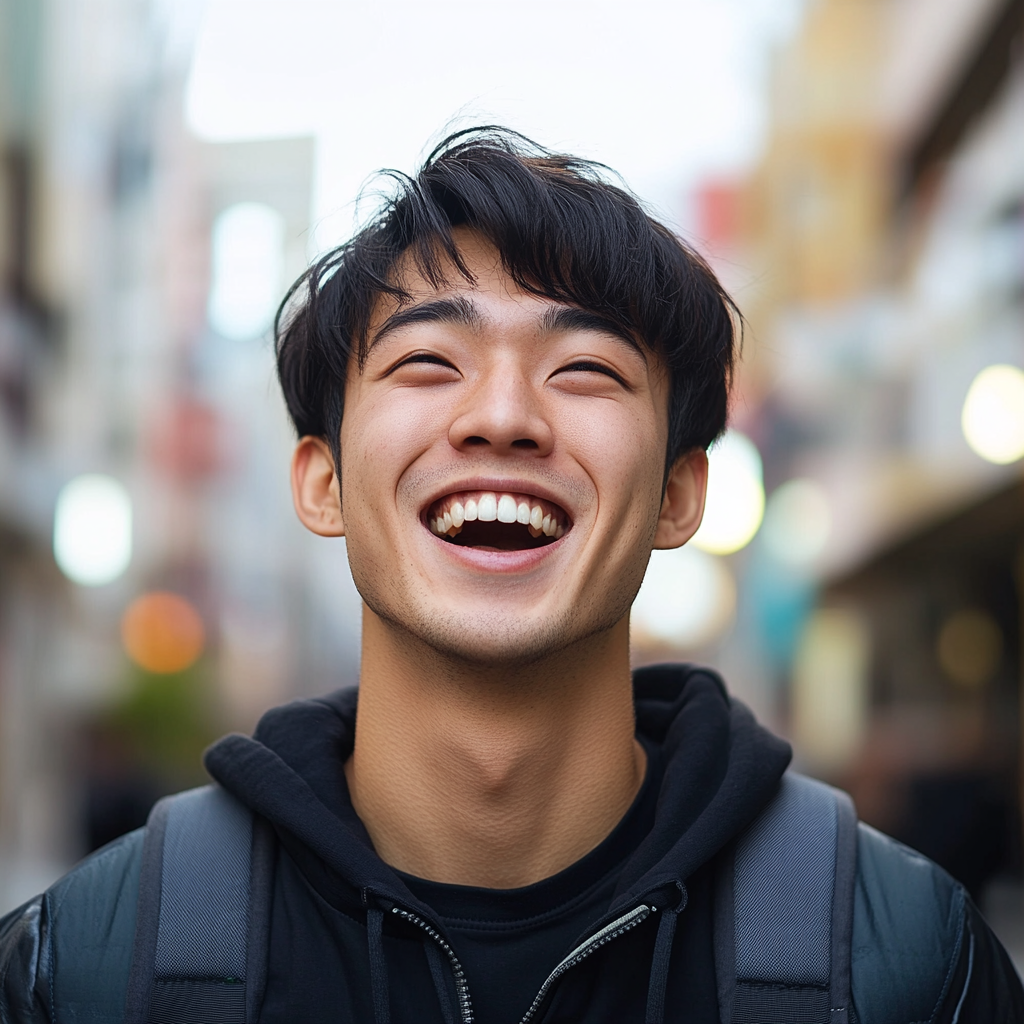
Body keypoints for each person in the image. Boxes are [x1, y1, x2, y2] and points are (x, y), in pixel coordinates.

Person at [1, 127, 1022, 1023]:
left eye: (584, 371)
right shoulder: (89, 963)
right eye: (428, 364)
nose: (502, 415)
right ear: (320, 481)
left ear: (678, 493)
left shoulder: (899, 962)